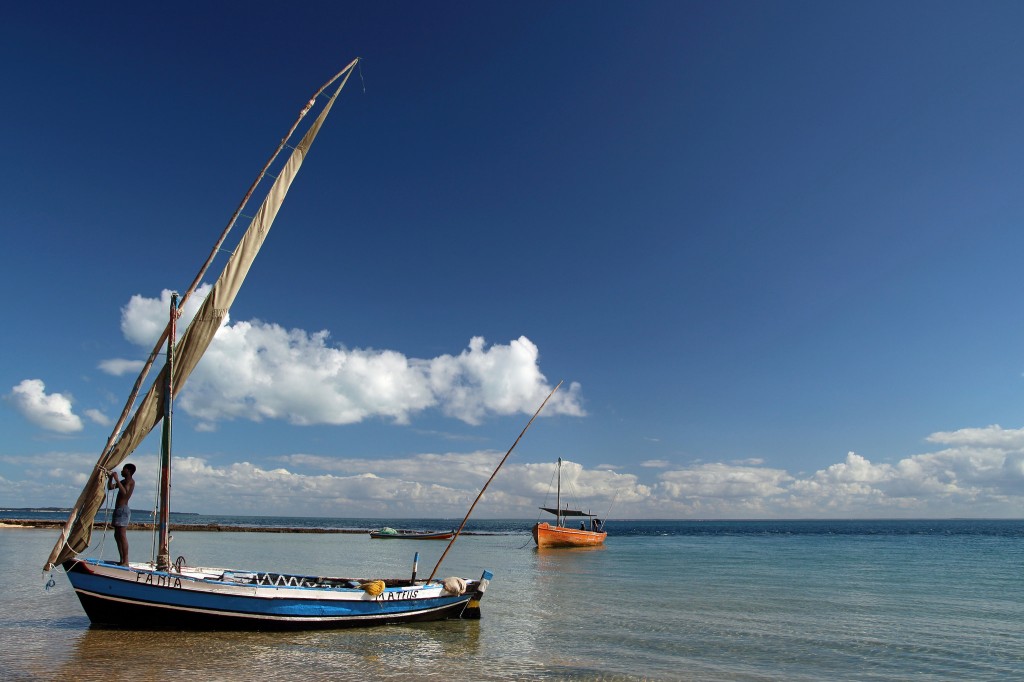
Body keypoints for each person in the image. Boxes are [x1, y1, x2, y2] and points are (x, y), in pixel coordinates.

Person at [108, 463, 136, 566]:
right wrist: (111, 479)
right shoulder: (124, 481)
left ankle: (126, 561)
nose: (121, 471)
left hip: (123, 510)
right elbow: (110, 487)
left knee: (122, 535)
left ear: (128, 471)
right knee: (117, 535)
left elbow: (124, 493)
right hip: (118, 509)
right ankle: (122, 559)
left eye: (123, 469)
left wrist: (117, 479)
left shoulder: (130, 481)